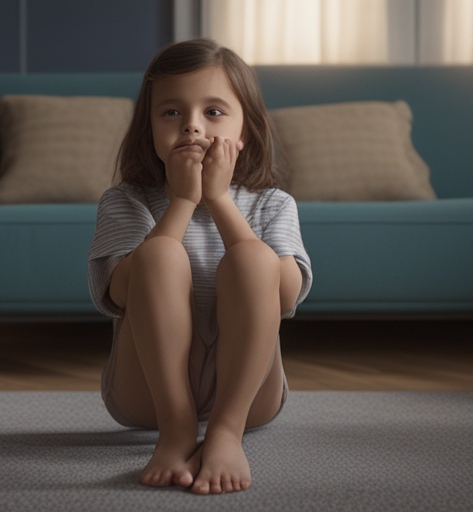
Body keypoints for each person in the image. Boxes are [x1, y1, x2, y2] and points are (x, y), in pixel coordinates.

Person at [87, 39, 313, 495]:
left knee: (254, 257)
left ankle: (225, 433)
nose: (192, 127)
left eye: (213, 113)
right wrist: (184, 201)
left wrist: (219, 200)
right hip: (146, 394)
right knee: (158, 254)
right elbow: (119, 291)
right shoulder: (125, 201)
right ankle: (176, 431)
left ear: (244, 131)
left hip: (250, 400)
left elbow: (286, 295)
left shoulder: (273, 204)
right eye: (172, 113)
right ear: (149, 129)